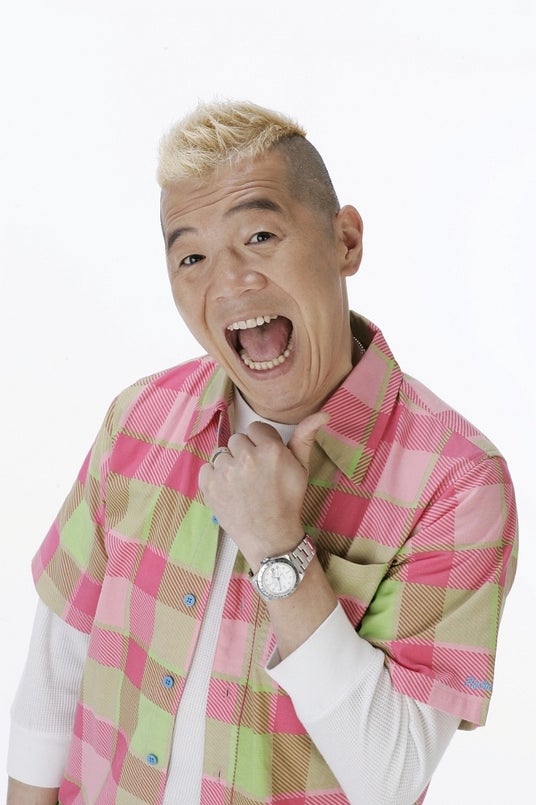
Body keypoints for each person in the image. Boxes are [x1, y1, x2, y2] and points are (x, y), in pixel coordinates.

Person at [7, 100, 517, 805]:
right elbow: (59, 660)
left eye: (260, 235)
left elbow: (392, 778)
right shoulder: (139, 417)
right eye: (192, 256)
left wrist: (279, 550)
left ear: (345, 241)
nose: (229, 282)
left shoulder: (456, 482)